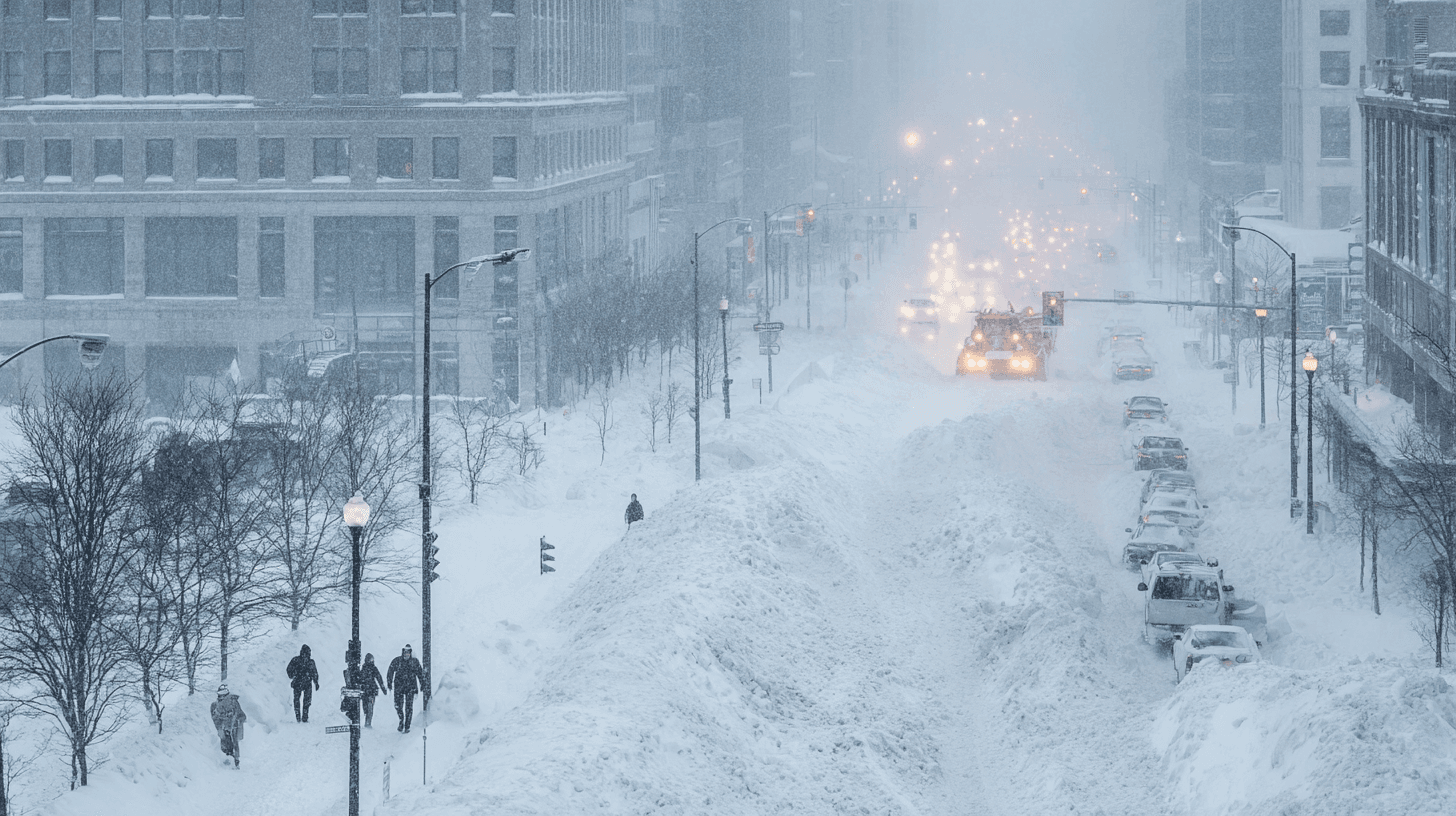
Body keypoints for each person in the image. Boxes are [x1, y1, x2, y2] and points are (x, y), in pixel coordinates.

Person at [386, 644, 425, 733]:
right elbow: (390, 671)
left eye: (408, 653)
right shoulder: (397, 661)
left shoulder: (414, 662)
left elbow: (420, 673)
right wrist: (389, 682)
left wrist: (422, 683)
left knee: (409, 707)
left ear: (410, 653)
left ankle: (407, 725)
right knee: (398, 706)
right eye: (405, 652)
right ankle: (401, 720)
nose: (406, 654)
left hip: (410, 687)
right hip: (399, 687)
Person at [210, 684, 247, 769]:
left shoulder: (233, 701)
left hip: (232, 727)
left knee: (233, 744)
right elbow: (215, 718)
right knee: (228, 744)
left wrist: (237, 721)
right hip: (225, 728)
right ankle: (231, 760)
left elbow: (241, 714)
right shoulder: (215, 705)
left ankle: (234, 761)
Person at [286, 644, 320, 723]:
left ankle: (303, 717)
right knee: (299, 701)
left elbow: (314, 673)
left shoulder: (307, 661)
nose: (306, 655)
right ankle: (301, 717)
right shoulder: (297, 660)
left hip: (304, 683)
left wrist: (316, 682)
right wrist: (293, 674)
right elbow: (289, 670)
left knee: (304, 701)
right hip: (300, 682)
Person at [360, 653, 387, 728]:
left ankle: (368, 723)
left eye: (372, 659)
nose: (372, 661)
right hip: (365, 691)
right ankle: (367, 719)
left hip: (371, 691)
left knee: (370, 707)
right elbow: (360, 679)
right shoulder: (363, 668)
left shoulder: (373, 668)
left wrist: (383, 689)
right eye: (371, 659)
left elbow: (379, 678)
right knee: (365, 707)